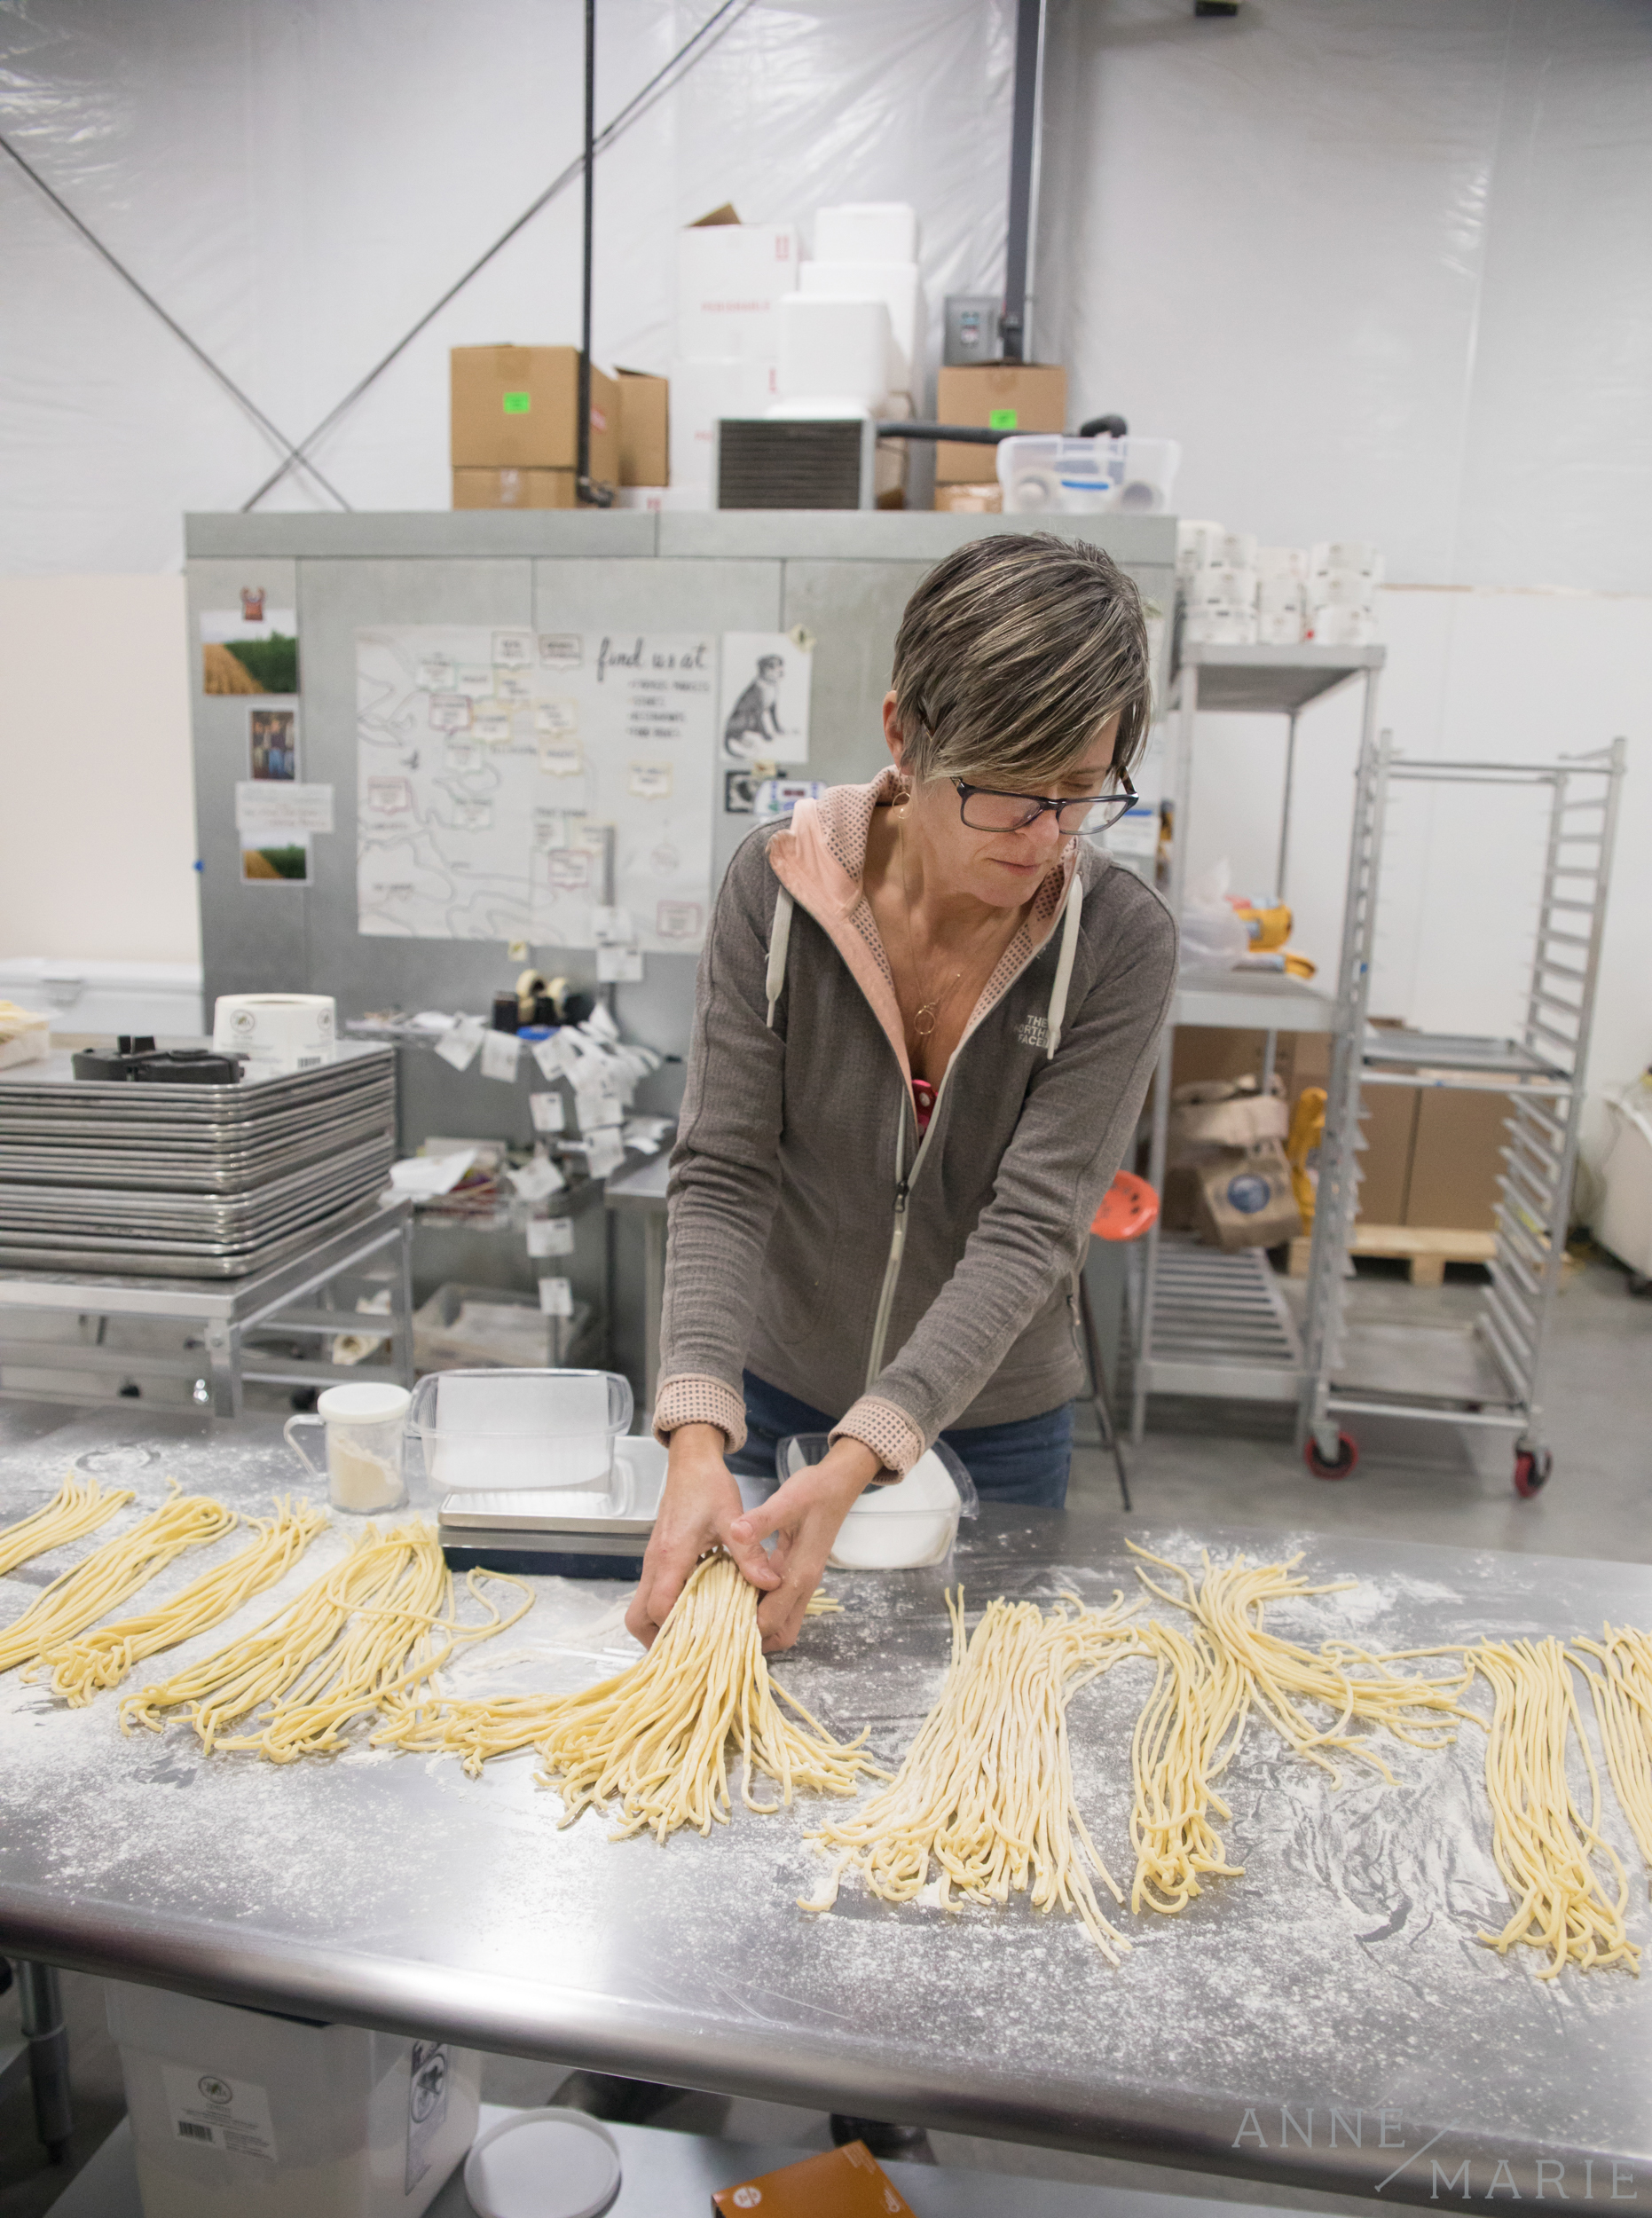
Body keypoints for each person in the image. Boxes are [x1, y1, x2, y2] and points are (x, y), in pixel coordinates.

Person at [627, 532, 1176, 1656]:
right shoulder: (775, 894)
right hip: (774, 1395)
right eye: (1004, 794)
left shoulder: (1117, 941)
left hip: (998, 1419)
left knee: (981, 1719)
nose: (1043, 839)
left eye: (1079, 795)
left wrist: (874, 1442)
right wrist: (695, 1430)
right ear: (902, 735)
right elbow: (725, 1173)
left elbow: (1032, 1231)